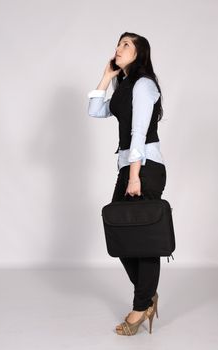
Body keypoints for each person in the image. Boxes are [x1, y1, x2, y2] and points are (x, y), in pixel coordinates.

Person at [87, 32, 167, 336]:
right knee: (121, 235)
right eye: (118, 44)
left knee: (144, 241)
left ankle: (140, 305)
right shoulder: (124, 85)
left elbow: (138, 132)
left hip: (144, 166)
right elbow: (96, 110)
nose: (118, 49)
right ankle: (147, 296)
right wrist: (107, 75)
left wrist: (134, 174)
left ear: (139, 53)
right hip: (130, 168)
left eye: (125, 45)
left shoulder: (145, 86)